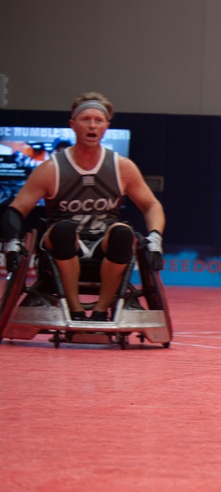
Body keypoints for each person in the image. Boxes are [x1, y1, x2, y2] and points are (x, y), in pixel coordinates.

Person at [1, 92, 165, 321]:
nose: (92, 125)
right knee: (65, 229)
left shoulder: (122, 167)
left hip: (103, 241)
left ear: (106, 126)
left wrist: (155, 238)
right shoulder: (51, 169)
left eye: (98, 120)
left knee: (122, 232)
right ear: (73, 125)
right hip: (61, 240)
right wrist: (11, 244)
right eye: (85, 119)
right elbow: (16, 209)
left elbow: (151, 205)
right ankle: (75, 309)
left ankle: (100, 312)